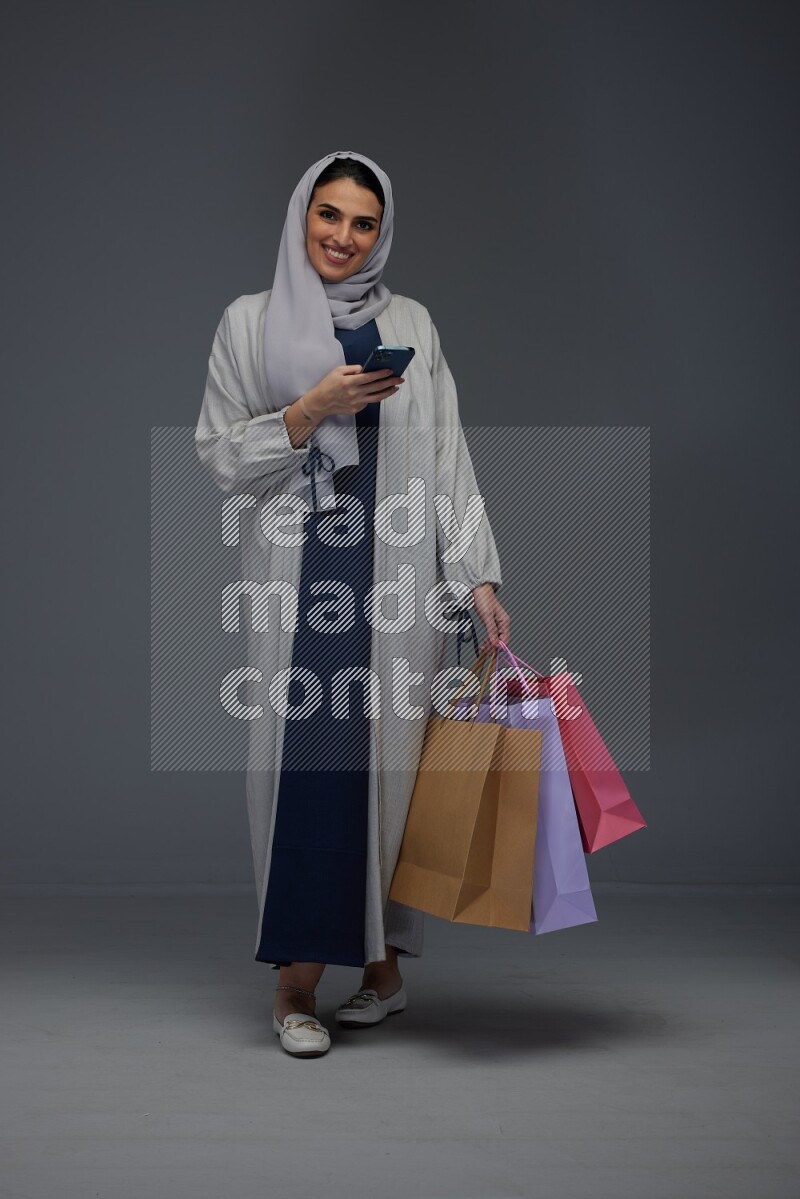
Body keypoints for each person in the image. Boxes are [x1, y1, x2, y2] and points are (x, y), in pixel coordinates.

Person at [195, 150, 510, 1057]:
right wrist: (311, 409)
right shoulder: (249, 325)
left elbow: (448, 456)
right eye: (327, 215)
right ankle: (296, 981)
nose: (342, 235)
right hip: (300, 589)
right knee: (307, 776)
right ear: (301, 219)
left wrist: (478, 576)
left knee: (396, 774)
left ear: (382, 233)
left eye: (363, 222)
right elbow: (218, 457)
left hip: (398, 583)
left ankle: (384, 970)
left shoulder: (411, 321)